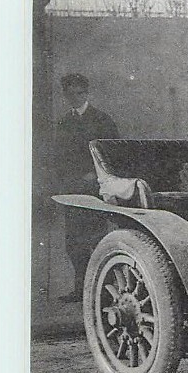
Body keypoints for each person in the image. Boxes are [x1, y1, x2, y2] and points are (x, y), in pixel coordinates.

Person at [52, 73, 120, 301]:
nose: (75, 98)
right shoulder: (63, 123)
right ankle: (80, 289)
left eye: (79, 93)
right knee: (73, 243)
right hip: (72, 189)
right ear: (65, 95)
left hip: (94, 189)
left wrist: (96, 174)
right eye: (70, 94)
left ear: (86, 93)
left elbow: (112, 154)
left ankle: (102, 290)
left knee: (95, 239)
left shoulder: (102, 120)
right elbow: (58, 158)